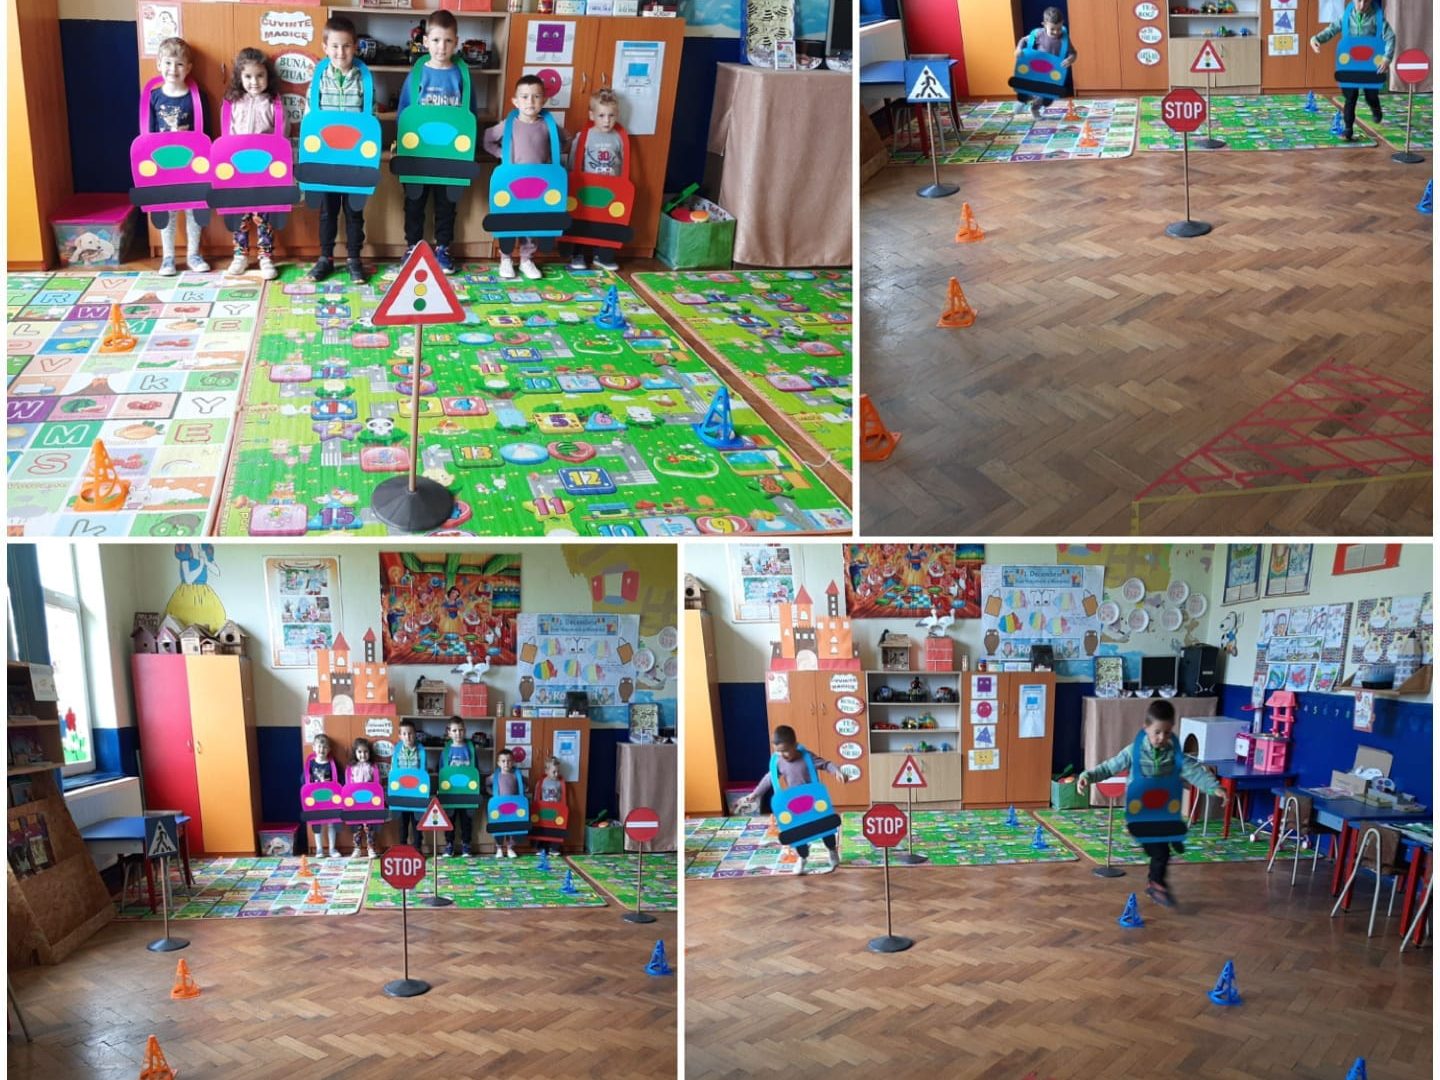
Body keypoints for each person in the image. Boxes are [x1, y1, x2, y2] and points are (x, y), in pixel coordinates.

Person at [1076, 699, 1227, 908]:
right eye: (1157, 732)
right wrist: (1087, 776)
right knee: (1159, 848)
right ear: (1145, 728)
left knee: (1162, 850)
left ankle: (1155, 883)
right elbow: (1109, 767)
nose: (1162, 738)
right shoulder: (1133, 751)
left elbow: (1193, 771)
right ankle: (1156, 883)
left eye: (1167, 733)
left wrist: (1214, 787)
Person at [397, 10, 479, 273]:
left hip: (450, 156)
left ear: (456, 42)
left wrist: (468, 147)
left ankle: (443, 248)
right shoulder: (417, 74)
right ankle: (413, 246)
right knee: (414, 202)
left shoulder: (461, 75)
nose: (441, 47)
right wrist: (403, 144)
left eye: (447, 41)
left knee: (446, 205)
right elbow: (404, 111)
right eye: (435, 40)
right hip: (419, 154)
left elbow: (470, 113)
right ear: (425, 42)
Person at [736, 725, 855, 876]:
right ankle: (803, 858)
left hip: (814, 801)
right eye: (778, 751)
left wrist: (837, 771)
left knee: (824, 826)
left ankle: (831, 850)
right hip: (795, 804)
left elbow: (826, 764)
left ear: (795, 744)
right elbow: (769, 778)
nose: (782, 755)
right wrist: (755, 794)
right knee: (799, 832)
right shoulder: (779, 761)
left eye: (785, 750)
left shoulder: (807, 757)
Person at [483, 75, 566, 280]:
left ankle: (527, 259)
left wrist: (551, 160)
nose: (530, 101)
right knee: (509, 219)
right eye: (525, 96)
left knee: (532, 220)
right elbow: (487, 139)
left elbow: (565, 140)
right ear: (515, 101)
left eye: (536, 96)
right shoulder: (508, 125)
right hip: (512, 182)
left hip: (539, 183)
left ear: (544, 100)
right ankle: (505, 259)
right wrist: (501, 155)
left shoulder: (548, 125)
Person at [309, 16, 369, 283]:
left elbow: (369, 116)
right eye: (334, 46)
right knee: (327, 211)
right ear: (325, 47)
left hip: (355, 159)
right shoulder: (319, 78)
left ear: (355, 46)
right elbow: (311, 115)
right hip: (327, 159)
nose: (340, 52)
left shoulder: (364, 78)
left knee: (354, 212)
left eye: (346, 46)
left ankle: (354, 258)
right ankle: (326, 258)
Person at [223, 48, 286, 280]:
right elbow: (227, 133)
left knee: (264, 214)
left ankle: (265, 256)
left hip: (265, 169)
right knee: (239, 214)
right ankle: (240, 255)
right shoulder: (232, 103)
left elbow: (282, 133)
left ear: (268, 76)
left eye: (260, 75)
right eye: (248, 76)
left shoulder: (273, 103)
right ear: (239, 77)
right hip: (238, 168)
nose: (254, 81)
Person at [148, 38, 210, 275]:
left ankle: (193, 254)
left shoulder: (197, 97)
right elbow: (148, 132)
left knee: (194, 207)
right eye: (168, 63)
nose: (173, 69)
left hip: (192, 163)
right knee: (168, 209)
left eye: (179, 64)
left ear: (189, 67)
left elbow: (206, 132)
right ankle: (168, 257)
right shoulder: (153, 97)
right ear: (158, 64)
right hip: (163, 164)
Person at [1310, 0, 1394, 141]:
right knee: (1350, 97)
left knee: (1370, 95)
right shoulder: (1346, 16)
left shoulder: (1377, 18)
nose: (1362, 5)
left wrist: (1386, 58)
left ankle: (1376, 108)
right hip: (1350, 64)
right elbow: (1332, 29)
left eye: (1366, 1)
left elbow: (1390, 37)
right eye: (1359, 1)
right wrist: (1316, 39)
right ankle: (1348, 129)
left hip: (1370, 65)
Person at [566, 88, 624, 273]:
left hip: (611, 189)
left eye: (611, 115)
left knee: (608, 223)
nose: (607, 121)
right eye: (601, 115)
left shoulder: (619, 138)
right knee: (582, 220)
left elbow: (623, 162)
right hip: (587, 188)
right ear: (592, 115)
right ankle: (578, 255)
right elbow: (574, 161)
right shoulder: (584, 136)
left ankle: (603, 256)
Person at [1013, 6, 1076, 119]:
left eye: (1059, 28)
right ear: (1044, 24)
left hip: (1052, 72)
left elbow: (1073, 53)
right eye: (1052, 29)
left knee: (1047, 95)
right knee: (1031, 88)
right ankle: (1023, 100)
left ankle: (1035, 108)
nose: (1056, 32)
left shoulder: (1065, 38)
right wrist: (1018, 49)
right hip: (1036, 68)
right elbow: (1023, 40)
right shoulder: (1039, 34)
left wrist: (1069, 59)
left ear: (1062, 23)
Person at [441, 717, 474, 856]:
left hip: (467, 792)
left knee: (466, 820)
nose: (458, 733)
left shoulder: (470, 748)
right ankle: (449, 845)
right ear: (449, 732)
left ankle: (466, 845)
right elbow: (442, 769)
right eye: (454, 730)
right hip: (450, 792)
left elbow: (474, 768)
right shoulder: (446, 750)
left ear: (465, 731)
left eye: (461, 730)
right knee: (449, 819)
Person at [391, 718, 425, 847]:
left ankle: (417, 847)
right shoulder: (397, 750)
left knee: (417, 821)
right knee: (402, 823)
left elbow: (423, 770)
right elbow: (393, 771)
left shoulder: (420, 750)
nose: (407, 736)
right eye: (404, 734)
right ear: (400, 735)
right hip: (401, 793)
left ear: (415, 734)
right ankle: (403, 846)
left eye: (410, 733)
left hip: (416, 793)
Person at [305, 734, 339, 858]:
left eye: (324, 747)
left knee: (331, 823)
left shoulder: (332, 764)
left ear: (329, 749)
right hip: (315, 798)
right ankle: (319, 849)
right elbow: (305, 778)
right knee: (317, 823)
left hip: (330, 798)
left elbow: (338, 779)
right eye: (319, 746)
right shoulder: (310, 764)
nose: (321, 749)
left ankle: (332, 849)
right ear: (314, 747)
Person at [346, 737, 381, 858]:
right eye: (360, 752)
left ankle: (371, 848)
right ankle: (357, 848)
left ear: (369, 752)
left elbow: (377, 783)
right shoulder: (351, 768)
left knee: (369, 826)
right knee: (356, 826)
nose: (363, 755)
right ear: (355, 753)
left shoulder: (372, 767)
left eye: (366, 752)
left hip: (369, 802)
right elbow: (348, 785)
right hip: (355, 802)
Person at [491, 748, 523, 857]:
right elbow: (486, 783)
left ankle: (510, 848)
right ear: (498, 763)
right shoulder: (495, 776)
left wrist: (521, 794)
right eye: (503, 761)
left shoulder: (516, 775)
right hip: (499, 806)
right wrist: (492, 794)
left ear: (513, 762)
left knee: (512, 828)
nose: (506, 763)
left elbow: (525, 784)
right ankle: (499, 848)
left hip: (514, 806)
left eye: (509, 761)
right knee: (499, 827)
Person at [532, 755, 567, 854]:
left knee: (556, 828)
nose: (556, 774)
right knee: (543, 828)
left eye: (558, 771)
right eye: (554, 772)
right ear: (546, 771)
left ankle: (554, 848)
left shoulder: (560, 783)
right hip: (544, 809)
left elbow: (562, 795)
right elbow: (537, 795)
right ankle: (541, 848)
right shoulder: (541, 782)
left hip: (556, 809)